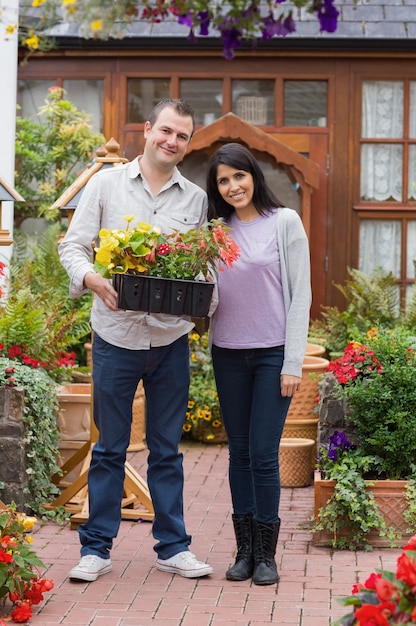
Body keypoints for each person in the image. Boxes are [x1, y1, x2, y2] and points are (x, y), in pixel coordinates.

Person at [59, 98, 214, 582]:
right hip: (115, 335)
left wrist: (203, 301)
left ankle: (173, 547)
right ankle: (96, 549)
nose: (172, 141)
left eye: (182, 136)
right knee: (110, 447)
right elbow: (73, 245)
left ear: (188, 145)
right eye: (166, 130)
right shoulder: (106, 185)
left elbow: (201, 265)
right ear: (148, 130)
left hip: (170, 339)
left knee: (167, 448)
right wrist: (92, 280)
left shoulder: (194, 199)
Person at [206, 142, 311, 586]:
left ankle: (267, 555)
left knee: (265, 455)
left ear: (254, 175)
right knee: (240, 453)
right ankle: (245, 550)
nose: (233, 186)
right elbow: (210, 295)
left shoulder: (284, 222)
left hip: (272, 354)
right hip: (227, 351)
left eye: (239, 176)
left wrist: (292, 362)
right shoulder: (215, 233)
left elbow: (300, 294)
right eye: (223, 181)